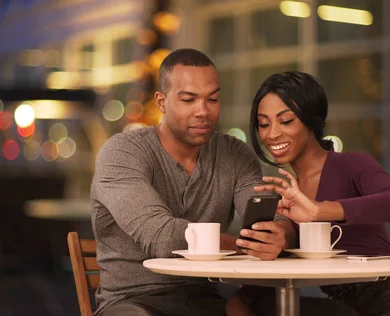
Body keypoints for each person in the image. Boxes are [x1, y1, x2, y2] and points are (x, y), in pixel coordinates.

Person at [90, 48, 296, 316]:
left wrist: (283, 234)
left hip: (207, 299)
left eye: (212, 99)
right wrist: (246, 246)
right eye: (189, 100)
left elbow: (268, 219)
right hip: (134, 301)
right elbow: (163, 238)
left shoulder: (234, 154)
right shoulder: (122, 152)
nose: (203, 111)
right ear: (161, 102)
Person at [226, 71, 390, 316]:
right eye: (263, 124)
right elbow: (283, 269)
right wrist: (239, 300)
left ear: (310, 121)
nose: (272, 134)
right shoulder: (284, 193)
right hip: (337, 307)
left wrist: (319, 211)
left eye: (286, 121)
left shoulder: (350, 164)